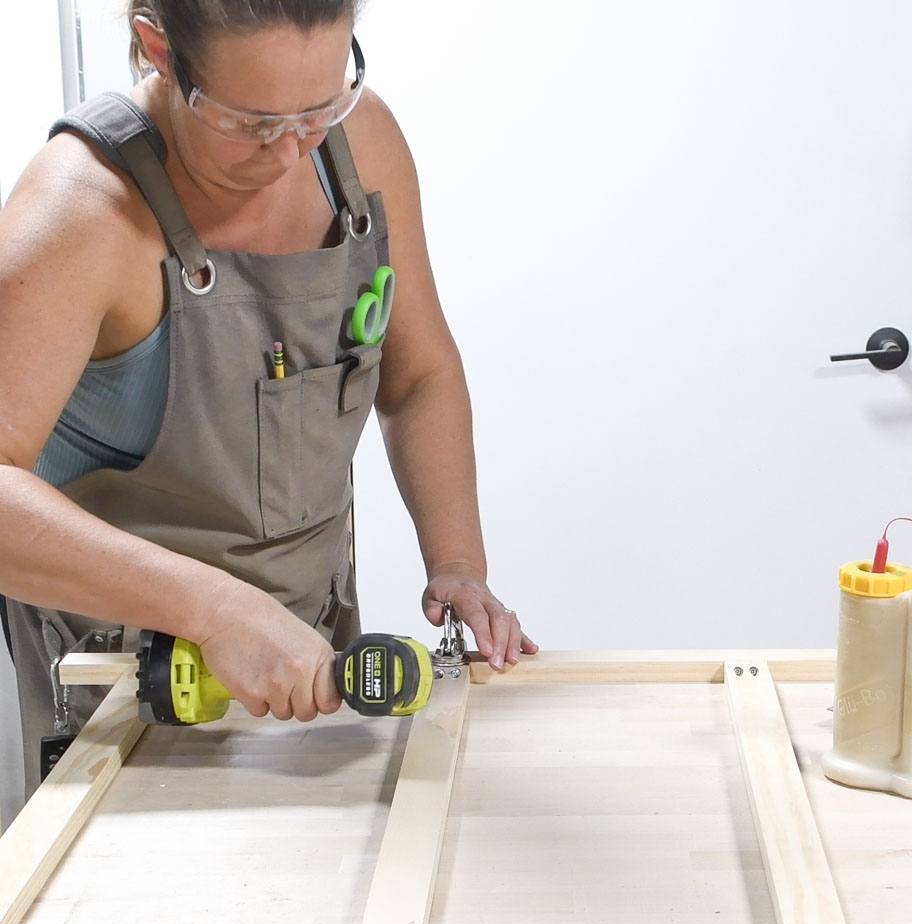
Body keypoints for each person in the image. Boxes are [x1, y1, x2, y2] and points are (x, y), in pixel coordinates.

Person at [0, 0, 536, 804]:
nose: (292, 152)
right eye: (252, 123)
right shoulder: (80, 211)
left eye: (320, 107)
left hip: (312, 654)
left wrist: (458, 563)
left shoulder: (360, 148)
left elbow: (419, 376)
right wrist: (214, 610)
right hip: (135, 688)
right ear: (159, 50)